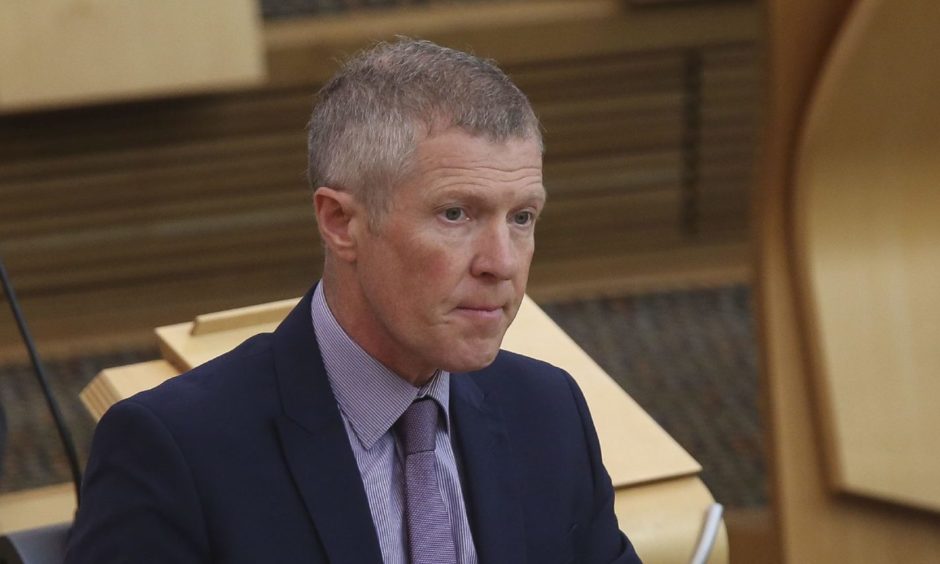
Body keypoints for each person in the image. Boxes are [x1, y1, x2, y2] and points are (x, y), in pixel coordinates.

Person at [66, 38, 641, 563]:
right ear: (340, 222)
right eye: (455, 214)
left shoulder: (547, 410)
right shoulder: (179, 449)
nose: (503, 263)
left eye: (521, 217)